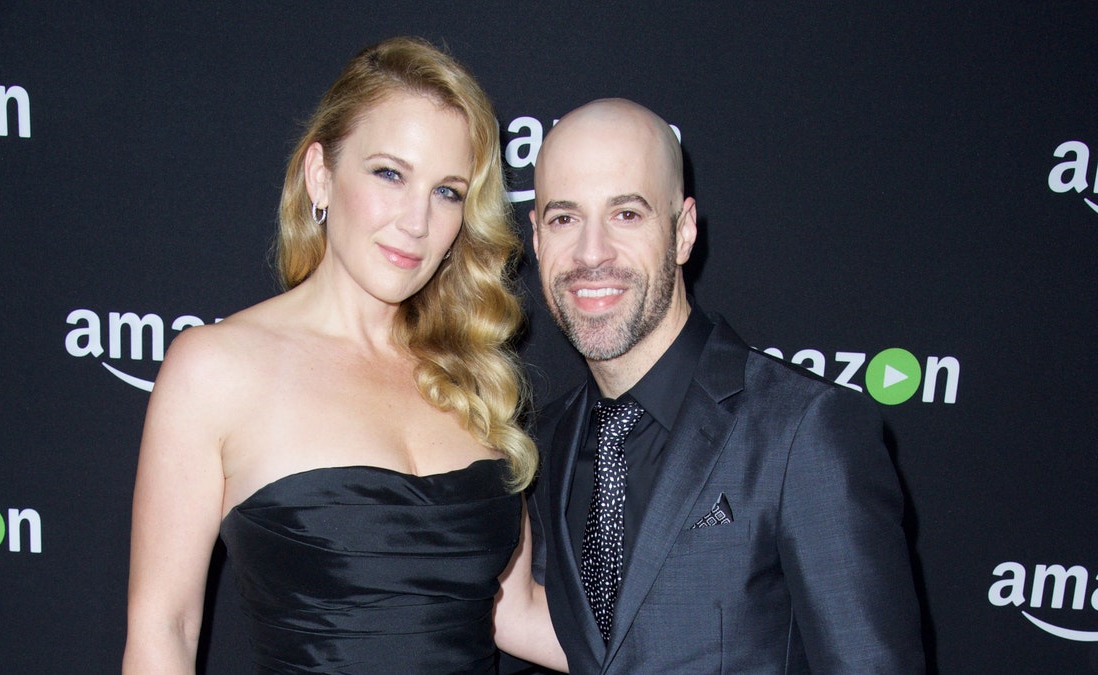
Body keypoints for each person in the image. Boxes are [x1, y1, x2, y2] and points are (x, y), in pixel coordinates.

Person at [123, 37, 565, 674]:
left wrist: (712, 630)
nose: (417, 220)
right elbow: (164, 630)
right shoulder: (215, 369)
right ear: (319, 175)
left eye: (447, 192)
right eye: (390, 174)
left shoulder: (470, 374)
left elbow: (515, 612)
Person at [525, 98, 925, 673]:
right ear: (537, 238)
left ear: (683, 231)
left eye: (627, 214)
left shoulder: (802, 432)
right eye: (565, 217)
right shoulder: (547, 443)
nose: (592, 253)